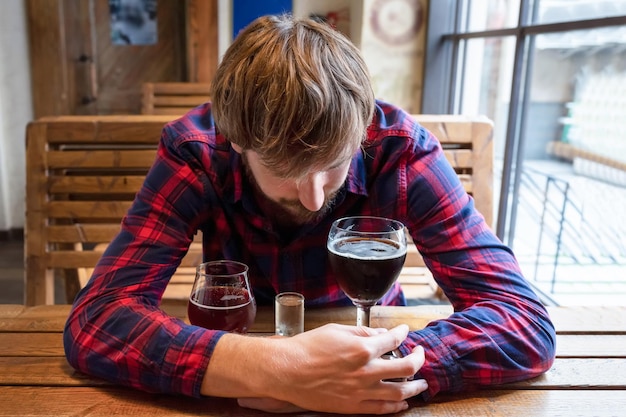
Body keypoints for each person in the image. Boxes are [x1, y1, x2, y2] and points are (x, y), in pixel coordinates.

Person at [63, 14, 556, 415]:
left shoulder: (400, 150)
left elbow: (525, 321)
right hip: (249, 335)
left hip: (374, 335)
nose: (316, 198)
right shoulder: (197, 150)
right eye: (285, 170)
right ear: (234, 140)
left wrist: (373, 370)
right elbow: (99, 318)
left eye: (334, 165)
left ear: (362, 129)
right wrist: (272, 367)